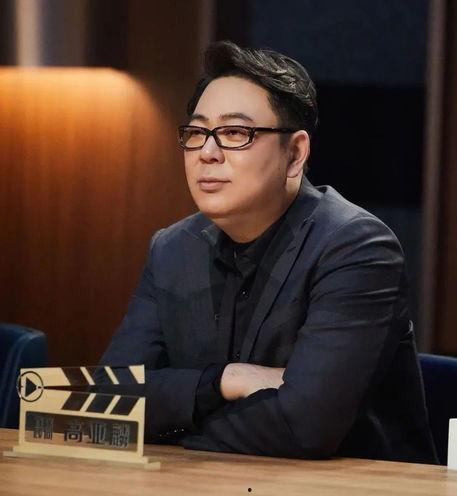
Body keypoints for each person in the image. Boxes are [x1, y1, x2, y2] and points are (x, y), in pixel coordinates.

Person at [100, 40, 437, 462]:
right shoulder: (172, 249)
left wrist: (174, 419)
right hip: (212, 481)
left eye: (235, 133)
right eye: (197, 133)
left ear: (295, 154)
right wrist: (225, 380)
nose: (207, 153)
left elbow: (304, 427)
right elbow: (109, 396)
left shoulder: (357, 249)